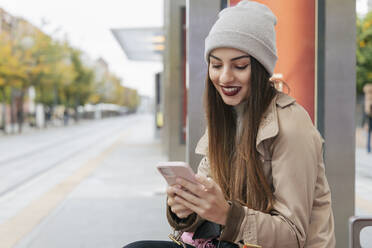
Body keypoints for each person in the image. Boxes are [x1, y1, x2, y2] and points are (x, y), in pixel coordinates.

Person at [124, 1, 335, 247]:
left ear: (260, 69)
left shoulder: (292, 125)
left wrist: (227, 215)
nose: (224, 77)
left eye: (239, 66)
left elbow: (293, 236)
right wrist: (186, 209)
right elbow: (208, 205)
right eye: (216, 65)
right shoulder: (227, 119)